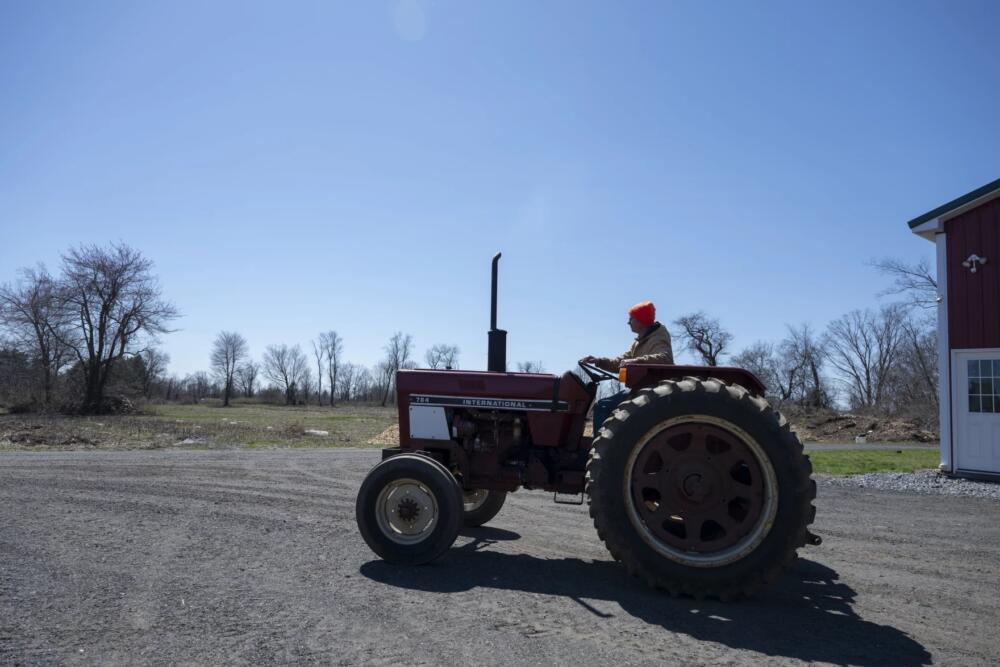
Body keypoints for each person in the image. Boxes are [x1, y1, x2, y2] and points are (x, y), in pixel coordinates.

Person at [580, 300, 674, 431]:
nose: (628, 322)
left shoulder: (657, 338)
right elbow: (620, 363)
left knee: (602, 406)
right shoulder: (640, 341)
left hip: (650, 389)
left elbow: (665, 358)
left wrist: (636, 362)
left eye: (631, 319)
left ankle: (600, 450)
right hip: (640, 387)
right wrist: (599, 361)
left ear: (641, 321)